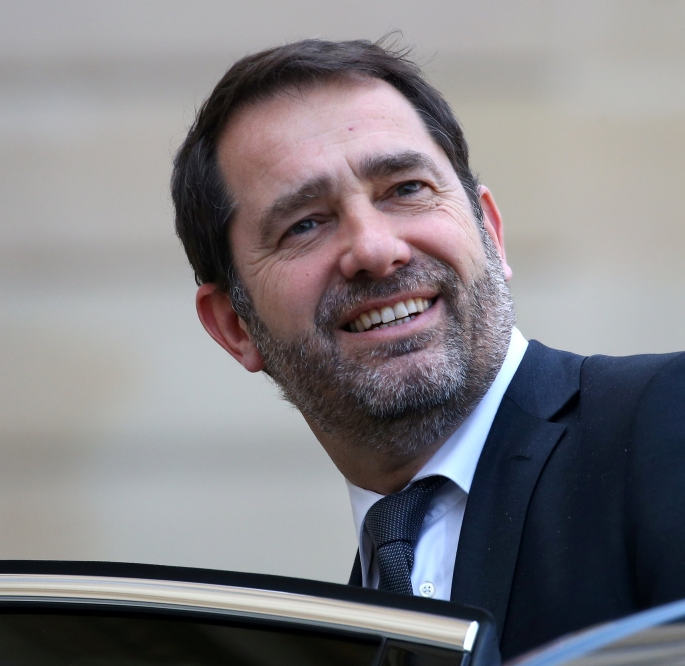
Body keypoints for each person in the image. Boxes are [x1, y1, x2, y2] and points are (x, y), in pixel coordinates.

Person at [170, 38, 685, 660]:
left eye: (406, 189)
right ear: (234, 326)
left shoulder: (668, 423)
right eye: (303, 223)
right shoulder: (345, 630)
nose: (374, 248)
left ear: (490, 233)